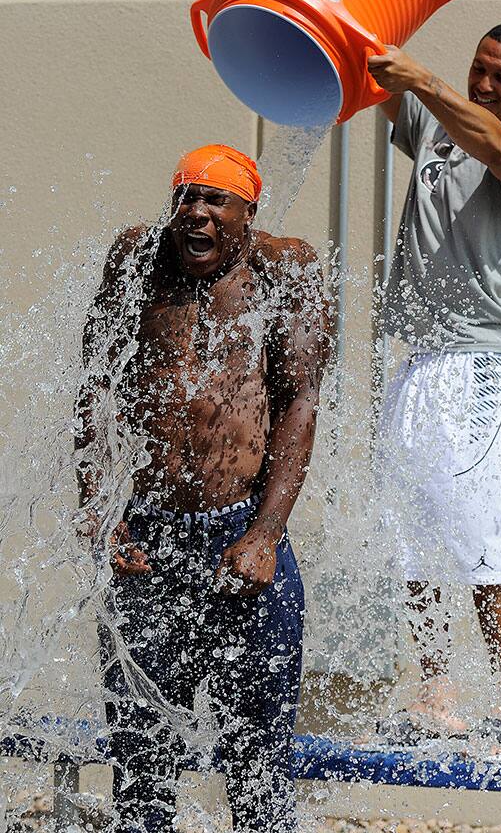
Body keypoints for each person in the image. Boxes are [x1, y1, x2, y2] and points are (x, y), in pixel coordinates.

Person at [75, 144, 330, 832]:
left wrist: (266, 534)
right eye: (186, 197)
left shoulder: (286, 269)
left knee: (257, 766)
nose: (196, 214)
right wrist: (101, 512)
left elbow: (301, 401)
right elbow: (94, 388)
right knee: (141, 763)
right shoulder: (137, 258)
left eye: (215, 201)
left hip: (240, 536)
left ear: (249, 212)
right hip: (147, 542)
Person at [367, 23, 501, 752]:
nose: (483, 84)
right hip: (421, 360)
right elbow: (372, 75)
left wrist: (427, 85)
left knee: (480, 532)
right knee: (410, 531)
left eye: (500, 78)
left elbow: (497, 150)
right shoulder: (435, 121)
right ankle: (436, 693)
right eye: (477, 70)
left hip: (485, 361)